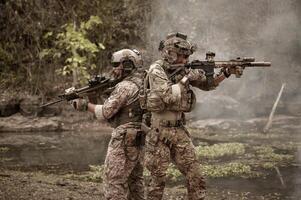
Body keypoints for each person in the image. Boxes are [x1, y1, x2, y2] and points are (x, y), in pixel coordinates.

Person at [143, 32, 242, 200]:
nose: (185, 60)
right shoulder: (156, 70)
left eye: (187, 57)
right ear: (170, 54)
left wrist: (225, 73)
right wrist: (187, 77)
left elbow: (208, 85)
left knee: (195, 175)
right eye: (182, 56)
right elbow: (167, 95)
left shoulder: (184, 69)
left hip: (179, 130)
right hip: (159, 132)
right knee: (156, 181)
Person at [71, 49, 146, 200]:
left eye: (116, 65)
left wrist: (84, 104)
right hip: (139, 135)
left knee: (113, 181)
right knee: (135, 180)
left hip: (124, 137)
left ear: (127, 65)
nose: (114, 68)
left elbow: (105, 112)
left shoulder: (125, 86)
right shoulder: (143, 81)